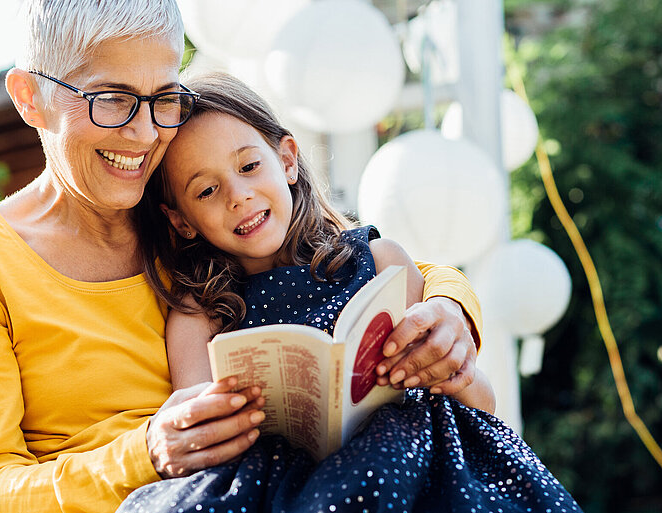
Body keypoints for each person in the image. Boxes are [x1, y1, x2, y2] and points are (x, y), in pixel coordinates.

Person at [0, 1, 489, 512]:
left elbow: (349, 259)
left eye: (163, 98)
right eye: (111, 99)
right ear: (30, 98)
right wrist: (147, 453)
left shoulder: (192, 208)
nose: (142, 135)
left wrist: (450, 309)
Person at [116, 72, 581, 513]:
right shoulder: (199, 315)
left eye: (250, 166)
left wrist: (449, 372)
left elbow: (482, 406)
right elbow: (201, 443)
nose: (238, 196)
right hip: (275, 484)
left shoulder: (381, 261)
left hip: (408, 463)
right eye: (207, 191)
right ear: (180, 221)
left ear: (287, 160)